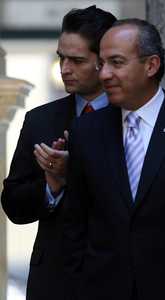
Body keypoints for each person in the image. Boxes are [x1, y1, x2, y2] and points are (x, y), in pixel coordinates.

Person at [64, 18, 165, 300]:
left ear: (151, 65)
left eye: (117, 62)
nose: (104, 75)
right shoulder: (86, 131)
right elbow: (75, 226)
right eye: (102, 64)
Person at [1, 6, 116, 300]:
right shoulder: (40, 119)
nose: (65, 68)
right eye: (61, 57)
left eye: (76, 60)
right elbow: (13, 204)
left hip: (118, 278)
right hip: (53, 282)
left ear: (104, 62)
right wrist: (52, 185)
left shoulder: (134, 117)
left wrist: (73, 174)